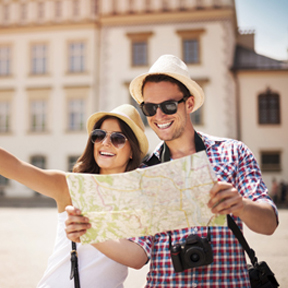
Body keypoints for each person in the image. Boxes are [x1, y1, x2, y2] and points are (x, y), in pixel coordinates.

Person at [66, 55, 278, 287]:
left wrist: (241, 205)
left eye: (168, 106)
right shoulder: (144, 173)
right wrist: (89, 231)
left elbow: (269, 224)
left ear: (189, 104)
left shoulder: (233, 153)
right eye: (149, 108)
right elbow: (138, 256)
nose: (159, 116)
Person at [0, 104, 149, 288]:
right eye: (99, 135)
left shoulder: (139, 198)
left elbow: (138, 258)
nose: (105, 142)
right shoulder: (71, 186)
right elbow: (15, 167)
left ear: (132, 150)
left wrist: (88, 232)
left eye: (118, 138)